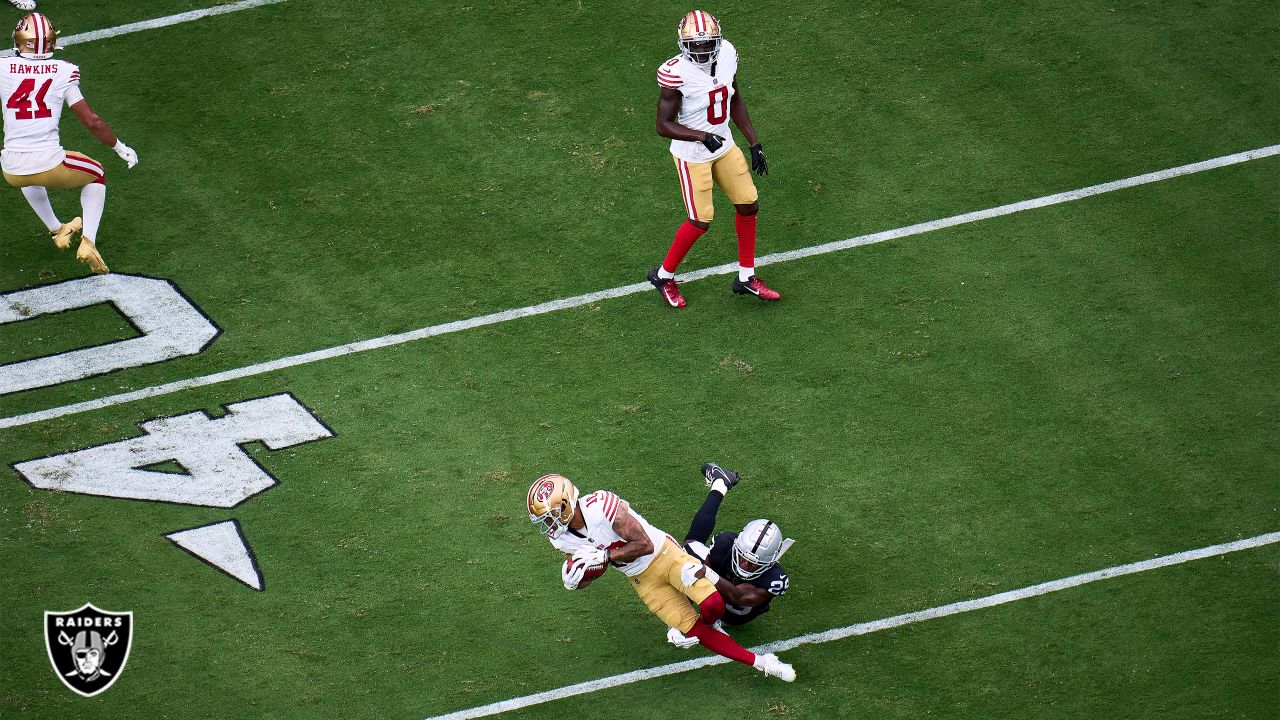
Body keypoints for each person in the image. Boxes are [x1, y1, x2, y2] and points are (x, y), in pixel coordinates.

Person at [526, 473, 795, 681]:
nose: (548, 525)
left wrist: (606, 556)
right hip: (641, 578)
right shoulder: (559, 538)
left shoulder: (601, 506)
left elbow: (645, 545)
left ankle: (712, 625)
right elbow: (594, 568)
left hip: (665, 555)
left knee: (713, 605)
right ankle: (763, 663)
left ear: (565, 506)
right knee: (696, 632)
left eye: (549, 516)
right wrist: (577, 578)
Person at [648, 10, 778, 309]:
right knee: (701, 220)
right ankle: (663, 276)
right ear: (683, 45)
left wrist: (754, 142)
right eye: (696, 44)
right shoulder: (675, 72)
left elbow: (734, 96)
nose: (703, 50)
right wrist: (700, 136)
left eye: (708, 43)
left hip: (723, 145)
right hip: (693, 155)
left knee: (748, 203)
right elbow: (662, 125)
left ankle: (746, 277)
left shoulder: (729, 53)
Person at [3, 12, 138, 274]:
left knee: (27, 175)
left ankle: (58, 230)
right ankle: (89, 241)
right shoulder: (64, 70)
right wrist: (119, 148)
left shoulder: (3, 67)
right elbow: (92, 121)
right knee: (96, 174)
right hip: (49, 161)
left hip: (10, 167)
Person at [665, 463, 794, 648]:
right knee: (688, 553)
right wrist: (677, 621)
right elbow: (695, 582)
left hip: (731, 617)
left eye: (753, 564)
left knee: (695, 565)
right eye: (742, 557)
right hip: (711, 597)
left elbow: (736, 597)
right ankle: (720, 484)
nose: (744, 565)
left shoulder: (775, 579)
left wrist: (706, 572)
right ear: (737, 545)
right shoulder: (725, 543)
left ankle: (720, 483)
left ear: (770, 562)